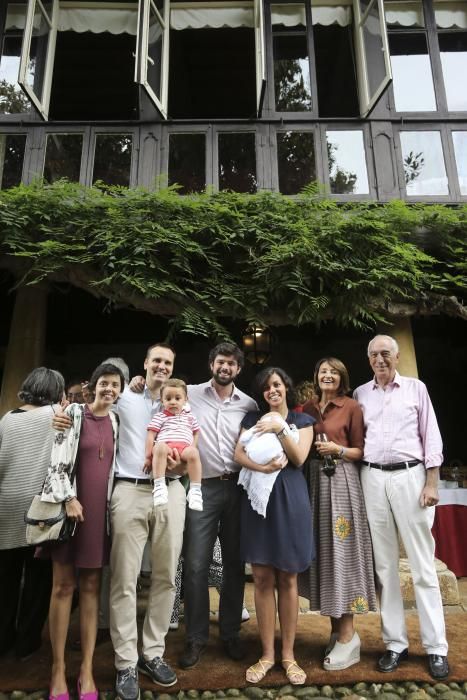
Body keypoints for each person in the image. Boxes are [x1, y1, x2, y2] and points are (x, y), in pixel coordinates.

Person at [54, 343, 185, 700]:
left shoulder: (179, 402)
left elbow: (192, 447)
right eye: (156, 360)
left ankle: (152, 654)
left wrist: (184, 465)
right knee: (124, 580)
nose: (161, 366)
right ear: (145, 364)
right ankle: (126, 661)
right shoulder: (126, 396)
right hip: (129, 491)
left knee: (166, 577)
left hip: (171, 490)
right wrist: (63, 413)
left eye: (167, 362)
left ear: (173, 368)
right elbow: (88, 408)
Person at [354, 334, 449, 680]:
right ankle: (395, 643)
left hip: (411, 476)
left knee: (423, 565)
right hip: (373, 478)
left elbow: (431, 434)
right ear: (369, 360)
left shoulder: (415, 389)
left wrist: (432, 482)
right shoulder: (360, 394)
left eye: (385, 354)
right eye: (374, 355)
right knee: (385, 567)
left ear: (396, 357)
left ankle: (436, 647)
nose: (380, 360)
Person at [41, 362, 124, 700]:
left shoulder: (117, 420)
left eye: (115, 384)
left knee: (91, 588)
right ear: (93, 385)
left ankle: (86, 668)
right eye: (104, 382)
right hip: (70, 510)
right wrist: (69, 498)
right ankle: (58, 667)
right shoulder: (73, 413)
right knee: (63, 587)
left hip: (98, 515)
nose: (109, 389)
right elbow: (56, 462)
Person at [234, 367, 314, 685]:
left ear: (286, 388)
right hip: (257, 502)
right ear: (262, 393)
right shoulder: (250, 421)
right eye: (266, 387)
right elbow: (237, 454)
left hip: (291, 500)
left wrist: (280, 427)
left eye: (278, 385)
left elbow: (299, 458)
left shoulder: (302, 421)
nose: (272, 391)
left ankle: (289, 655)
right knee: (263, 576)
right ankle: (267, 654)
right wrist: (262, 466)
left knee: (288, 577)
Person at [179, 342, 257, 668]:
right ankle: (196, 638)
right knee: (196, 564)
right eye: (220, 362)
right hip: (203, 487)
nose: (225, 368)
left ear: (238, 369)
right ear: (211, 364)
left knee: (234, 565)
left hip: (238, 488)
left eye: (231, 364)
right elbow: (158, 399)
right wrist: (138, 383)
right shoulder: (189, 394)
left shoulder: (249, 404)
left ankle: (229, 633)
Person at [298, 357, 377, 671]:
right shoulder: (306, 408)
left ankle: (348, 637)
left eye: (333, 372)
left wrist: (338, 450)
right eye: (322, 371)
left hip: (342, 480)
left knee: (344, 554)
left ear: (342, 378)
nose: (327, 375)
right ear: (316, 377)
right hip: (314, 483)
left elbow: (361, 449)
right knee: (326, 555)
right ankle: (336, 632)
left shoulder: (351, 407)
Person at [0, 367, 65, 661]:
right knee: (38, 580)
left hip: (5, 505)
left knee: (6, 579)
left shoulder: (7, 420)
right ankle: (27, 641)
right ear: (55, 390)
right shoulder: (56, 416)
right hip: (40, 510)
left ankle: (2, 639)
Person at [145, 378, 203, 510]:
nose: (173, 402)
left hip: (184, 449)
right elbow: (150, 435)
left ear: (185, 399)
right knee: (159, 447)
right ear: (162, 400)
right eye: (168, 398)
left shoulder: (190, 416)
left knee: (194, 453)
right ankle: (159, 486)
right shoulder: (160, 416)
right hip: (166, 448)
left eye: (177, 398)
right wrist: (148, 457)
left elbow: (196, 432)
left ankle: (195, 491)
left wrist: (192, 446)